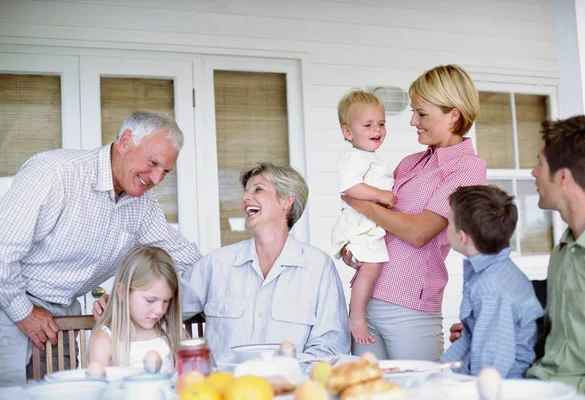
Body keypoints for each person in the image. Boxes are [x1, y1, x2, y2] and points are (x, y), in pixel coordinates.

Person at [0, 110, 202, 386]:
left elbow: (182, 256)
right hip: (8, 301)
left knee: (66, 392)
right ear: (126, 141)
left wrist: (124, 297)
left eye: (165, 171)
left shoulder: (142, 203)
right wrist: (23, 311)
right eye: (152, 163)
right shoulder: (55, 172)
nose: (156, 179)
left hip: (63, 313)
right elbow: (2, 250)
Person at [341, 64, 486, 361]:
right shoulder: (409, 163)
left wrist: (361, 202)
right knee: (366, 392)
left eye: (421, 113)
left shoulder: (467, 167)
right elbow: (375, 221)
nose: (412, 121)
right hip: (365, 299)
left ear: (453, 114)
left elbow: (419, 232)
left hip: (409, 307)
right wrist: (352, 245)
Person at [185, 162, 350, 366]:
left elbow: (332, 346)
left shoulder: (318, 267)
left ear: (286, 201)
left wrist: (285, 371)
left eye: (258, 189)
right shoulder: (216, 263)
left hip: (290, 387)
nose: (245, 198)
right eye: (245, 192)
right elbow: (161, 309)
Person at [524, 116, 585, 395]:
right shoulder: (563, 250)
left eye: (540, 164)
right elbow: (554, 338)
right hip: (539, 384)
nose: (533, 173)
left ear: (564, 178)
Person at [440, 185, 543, 378]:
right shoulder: (495, 272)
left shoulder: (491, 291)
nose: (446, 228)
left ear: (462, 236)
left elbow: (489, 367)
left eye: (449, 223)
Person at [331, 89, 395, 345]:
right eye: (367, 125)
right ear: (348, 132)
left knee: (370, 268)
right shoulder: (353, 158)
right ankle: (356, 317)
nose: (376, 130)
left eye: (381, 124)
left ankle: (358, 314)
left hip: (368, 223)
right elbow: (349, 187)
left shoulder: (368, 157)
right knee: (370, 268)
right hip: (359, 224)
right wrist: (381, 194)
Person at [88, 245, 184, 373]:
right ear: (122, 292)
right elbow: (98, 387)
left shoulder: (170, 332)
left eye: (166, 301)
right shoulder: (106, 340)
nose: (159, 310)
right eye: (150, 300)